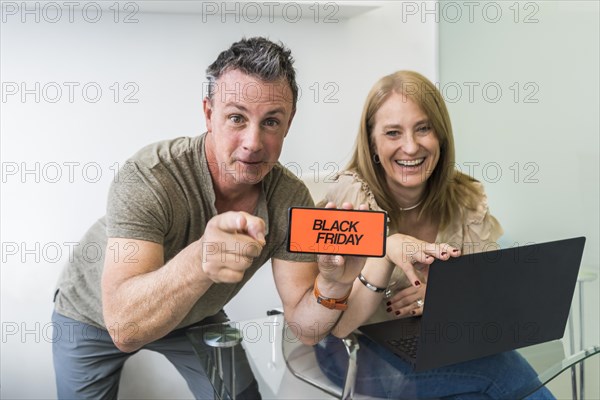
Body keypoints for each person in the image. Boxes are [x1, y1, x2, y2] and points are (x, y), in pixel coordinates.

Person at [51, 37, 365, 399]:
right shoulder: (149, 176)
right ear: (208, 114)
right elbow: (125, 328)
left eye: (271, 122)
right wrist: (201, 261)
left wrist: (335, 284)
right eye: (236, 118)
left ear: (289, 123)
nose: (253, 142)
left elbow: (306, 329)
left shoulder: (290, 199)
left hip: (196, 315)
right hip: (94, 315)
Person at [314, 70, 555, 399]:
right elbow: (340, 325)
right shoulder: (349, 198)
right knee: (501, 370)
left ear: (440, 134)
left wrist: (444, 299)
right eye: (393, 133)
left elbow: (488, 297)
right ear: (372, 141)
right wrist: (386, 251)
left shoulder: (465, 199)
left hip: (432, 344)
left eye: (423, 128)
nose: (410, 146)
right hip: (354, 348)